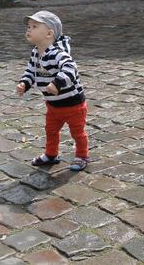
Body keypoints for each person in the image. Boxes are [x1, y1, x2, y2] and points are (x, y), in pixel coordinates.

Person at [17, 11, 88, 172]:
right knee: (50, 130)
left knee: (77, 132)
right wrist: (24, 83)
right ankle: (51, 154)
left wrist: (57, 83)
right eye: (28, 26)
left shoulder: (58, 53)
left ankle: (82, 155)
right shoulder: (36, 52)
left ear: (49, 34)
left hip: (73, 104)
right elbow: (30, 71)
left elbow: (71, 68)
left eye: (35, 27)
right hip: (53, 105)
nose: (29, 30)